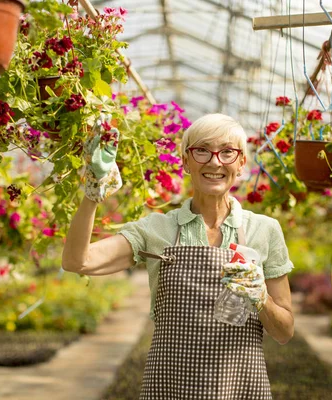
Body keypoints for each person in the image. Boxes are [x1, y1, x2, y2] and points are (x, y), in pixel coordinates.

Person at [63, 113, 294, 399]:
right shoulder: (156, 229)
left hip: (240, 388)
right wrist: (93, 190)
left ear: (241, 163)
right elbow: (77, 261)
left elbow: (284, 332)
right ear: (185, 161)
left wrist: (261, 299)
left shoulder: (264, 230)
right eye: (202, 150)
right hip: (168, 387)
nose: (214, 161)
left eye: (227, 152)